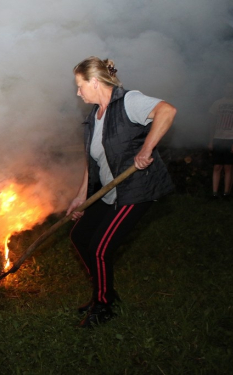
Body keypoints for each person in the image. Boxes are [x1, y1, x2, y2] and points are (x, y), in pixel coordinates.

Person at [66, 56, 177, 328]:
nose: (78, 92)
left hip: (135, 189)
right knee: (81, 236)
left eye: (80, 86)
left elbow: (168, 111)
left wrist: (146, 148)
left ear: (94, 82)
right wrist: (82, 195)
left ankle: (104, 306)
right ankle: (104, 292)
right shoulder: (95, 115)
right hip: (108, 190)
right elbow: (92, 161)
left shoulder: (129, 101)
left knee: (100, 248)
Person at [208, 84, 233, 198]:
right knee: (217, 166)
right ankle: (214, 193)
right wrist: (211, 141)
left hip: (230, 139)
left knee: (228, 167)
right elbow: (212, 123)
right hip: (218, 138)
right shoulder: (217, 103)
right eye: (227, 88)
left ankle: (226, 193)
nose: (228, 90)